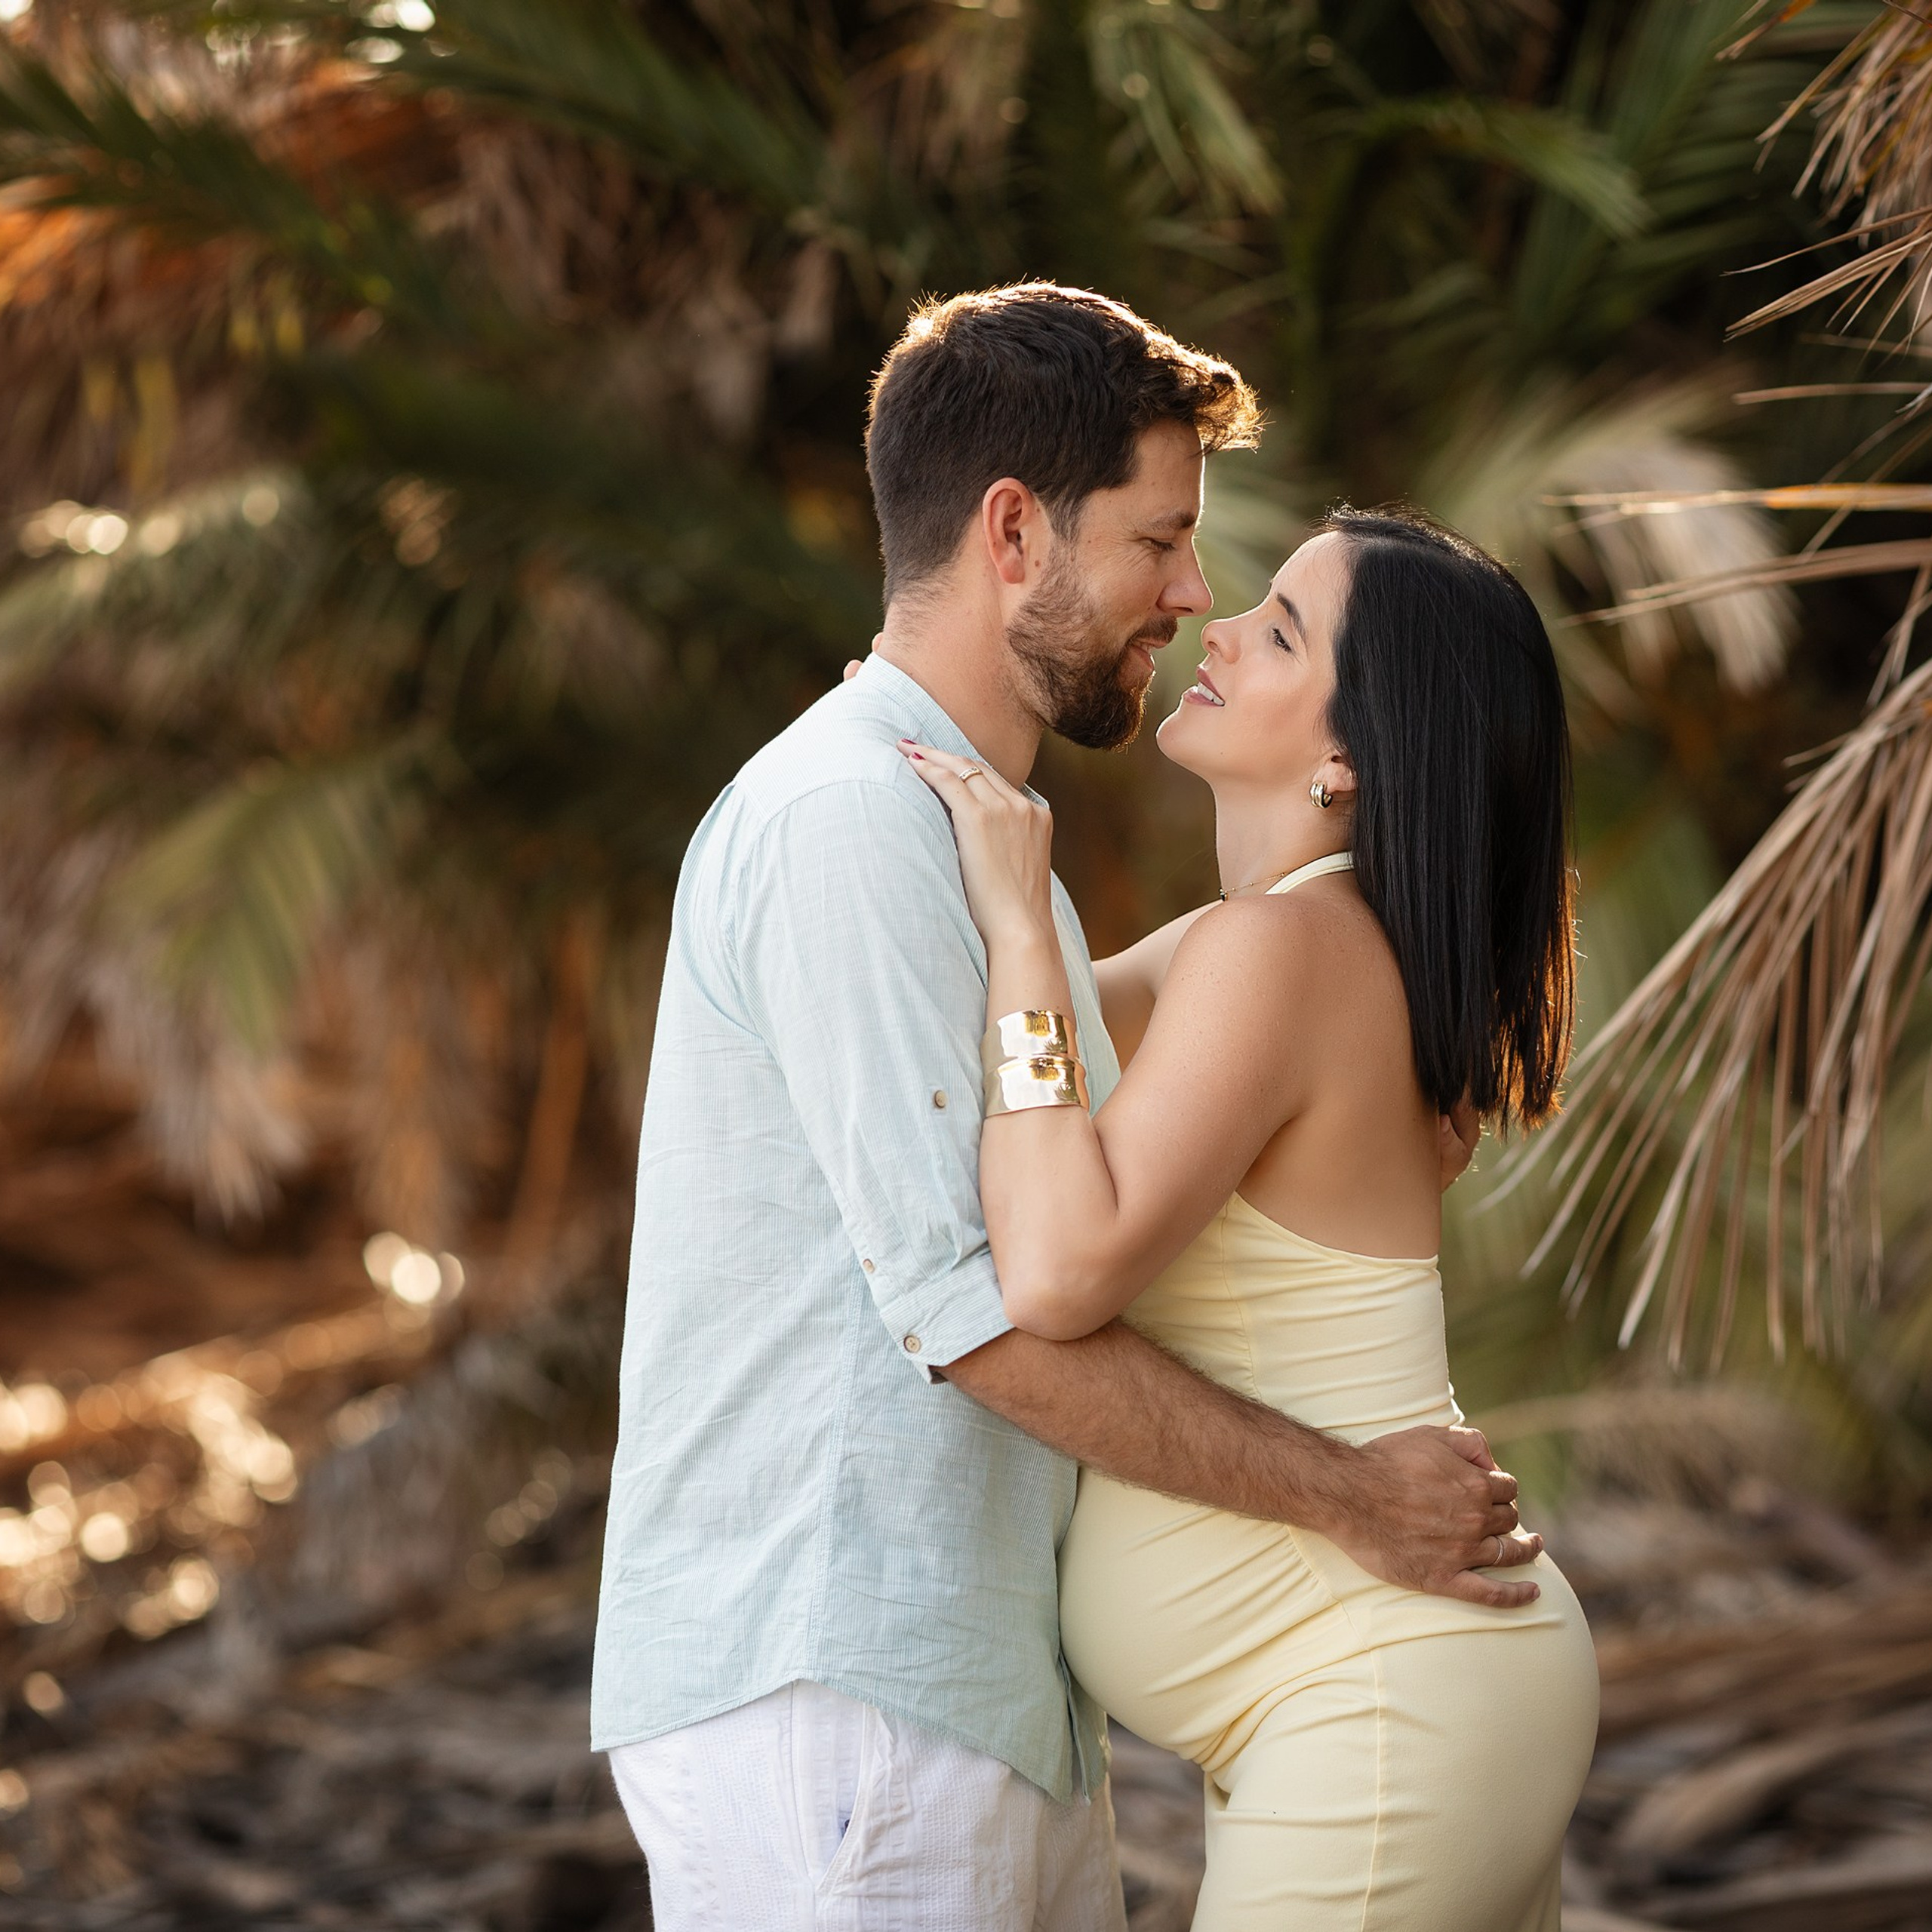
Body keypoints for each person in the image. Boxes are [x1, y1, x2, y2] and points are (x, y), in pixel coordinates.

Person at [590, 284, 1543, 1932]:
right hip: (844, 1687)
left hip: (975, 1702)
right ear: (1014, 532)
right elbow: (980, 1312)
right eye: (1160, 543)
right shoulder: (853, 823)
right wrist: (1350, 1494)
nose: (1191, 594)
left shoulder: (982, 846)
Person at [901, 505, 1598, 1930]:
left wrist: (1026, 925)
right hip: (1385, 1692)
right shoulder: (1303, 943)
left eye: (1279, 630)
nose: (1216, 628)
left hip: (1385, 1695)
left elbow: (1059, 1261)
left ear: (1349, 757)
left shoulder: (1285, 950)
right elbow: (1024, 1054)